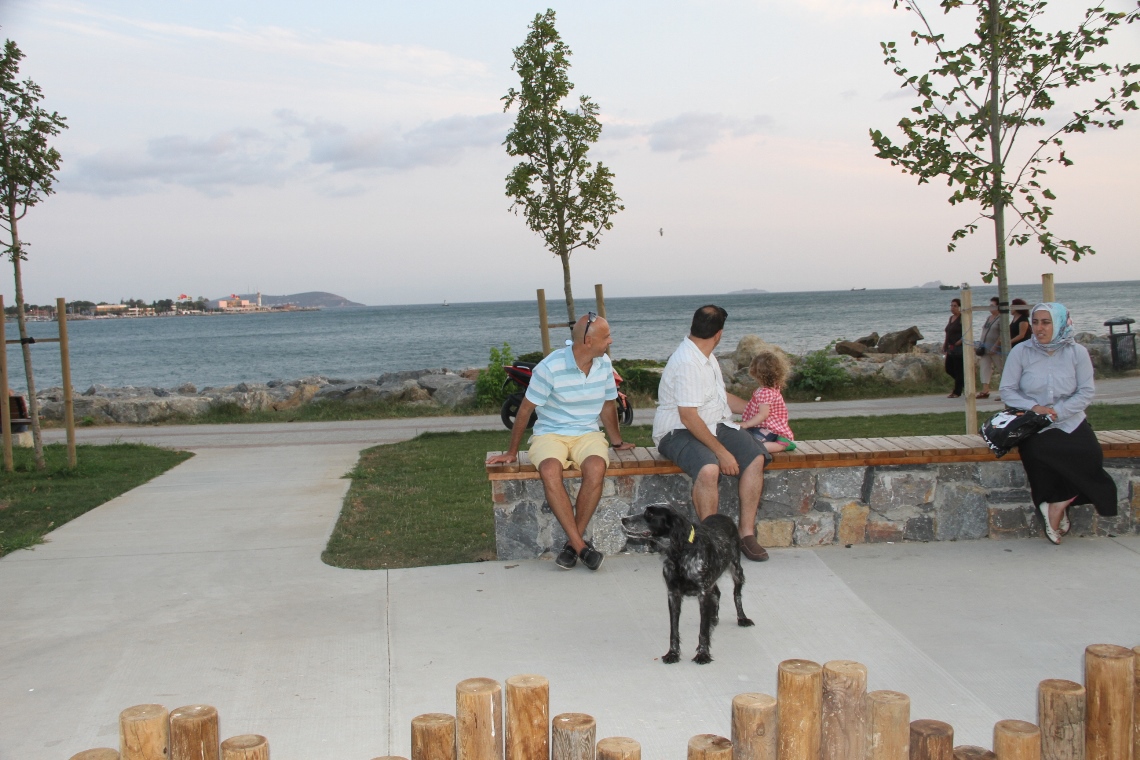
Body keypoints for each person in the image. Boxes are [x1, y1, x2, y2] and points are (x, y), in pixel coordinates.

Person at [486, 313, 635, 570]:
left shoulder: (604, 364)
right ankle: (581, 546)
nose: (611, 341)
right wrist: (511, 452)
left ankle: (572, 545)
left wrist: (617, 441)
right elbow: (525, 409)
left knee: (596, 467)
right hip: (550, 433)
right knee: (549, 469)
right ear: (588, 341)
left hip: (587, 433)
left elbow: (608, 404)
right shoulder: (550, 367)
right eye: (606, 336)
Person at [653, 305, 770, 562]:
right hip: (677, 430)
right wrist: (722, 453)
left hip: (714, 424)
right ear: (719, 334)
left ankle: (746, 534)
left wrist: (757, 410)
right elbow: (688, 416)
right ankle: (710, 541)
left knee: (755, 458)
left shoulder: (707, 356)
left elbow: (720, 397)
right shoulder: (687, 362)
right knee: (709, 469)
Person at [998, 302, 1117, 545]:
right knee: (1038, 452)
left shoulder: (1077, 353)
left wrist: (1058, 413)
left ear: (1060, 323)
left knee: (1090, 454)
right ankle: (1050, 502)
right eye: (1035, 322)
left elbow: (1085, 392)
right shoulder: (1021, 352)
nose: (1039, 328)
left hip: (1070, 419)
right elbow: (1007, 390)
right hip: (1034, 422)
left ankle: (1058, 503)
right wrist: (1035, 408)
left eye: (1046, 322)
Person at [740, 350, 796, 453]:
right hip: (760, 427)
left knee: (756, 446)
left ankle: (782, 445)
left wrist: (746, 424)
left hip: (769, 429)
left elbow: (763, 415)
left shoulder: (765, 392)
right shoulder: (771, 388)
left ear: (754, 372)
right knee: (744, 441)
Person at [976, 296, 1003, 399]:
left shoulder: (1001, 318)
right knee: (984, 368)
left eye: (992, 305)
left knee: (1001, 368)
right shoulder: (988, 318)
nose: (990, 307)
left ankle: (1005, 390)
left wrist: (996, 346)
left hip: (996, 349)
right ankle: (985, 390)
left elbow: (1002, 334)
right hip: (985, 348)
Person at [942, 298, 964, 398]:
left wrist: (960, 341)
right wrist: (945, 345)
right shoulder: (951, 318)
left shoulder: (962, 318)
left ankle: (957, 391)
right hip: (950, 348)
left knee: (958, 369)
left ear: (959, 307)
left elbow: (967, 332)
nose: (953, 308)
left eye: (955, 306)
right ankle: (963, 382)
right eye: (951, 306)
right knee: (949, 368)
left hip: (959, 348)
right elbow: (948, 332)